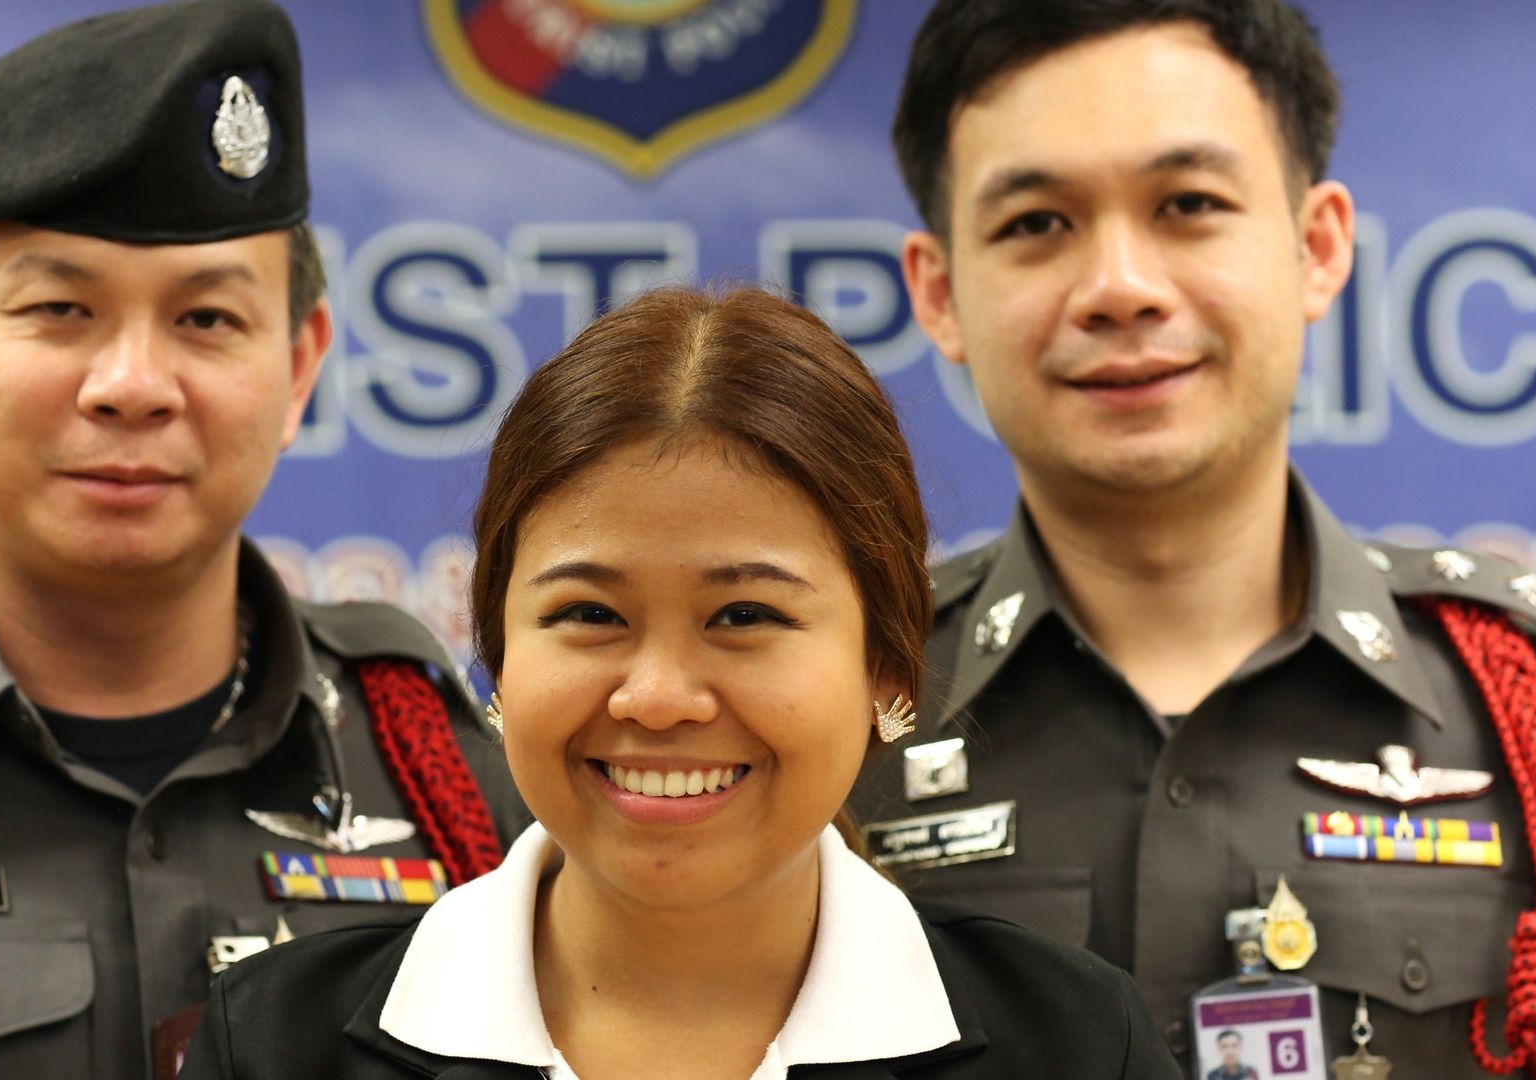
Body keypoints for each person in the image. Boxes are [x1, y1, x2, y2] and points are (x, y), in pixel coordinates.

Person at [0, 3, 523, 1078]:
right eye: (59, 309)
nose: (133, 386)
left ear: (298, 366)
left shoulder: (466, 784)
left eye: (207, 320)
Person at [864, 0, 1536, 1076]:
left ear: (1317, 247)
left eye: (1188, 203)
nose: (1120, 288)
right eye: (1036, 223)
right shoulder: (840, 714)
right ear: (939, 292)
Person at [178, 286, 1182, 1079]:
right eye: (589, 616)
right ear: (496, 652)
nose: (657, 697)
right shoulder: (273, 1047)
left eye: (745, 616)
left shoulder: (1078, 1044)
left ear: (884, 663)